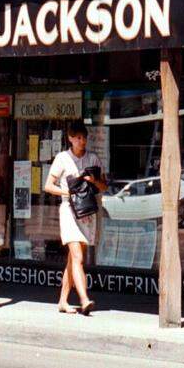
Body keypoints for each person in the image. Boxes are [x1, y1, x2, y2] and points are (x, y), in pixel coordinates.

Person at [43, 121, 107, 316]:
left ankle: (63, 300)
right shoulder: (62, 158)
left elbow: (104, 186)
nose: (82, 141)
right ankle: (84, 299)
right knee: (78, 257)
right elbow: (48, 185)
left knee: (73, 259)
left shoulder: (93, 159)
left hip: (87, 212)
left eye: (84, 137)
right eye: (78, 137)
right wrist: (67, 192)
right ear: (70, 139)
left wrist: (93, 181)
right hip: (69, 211)